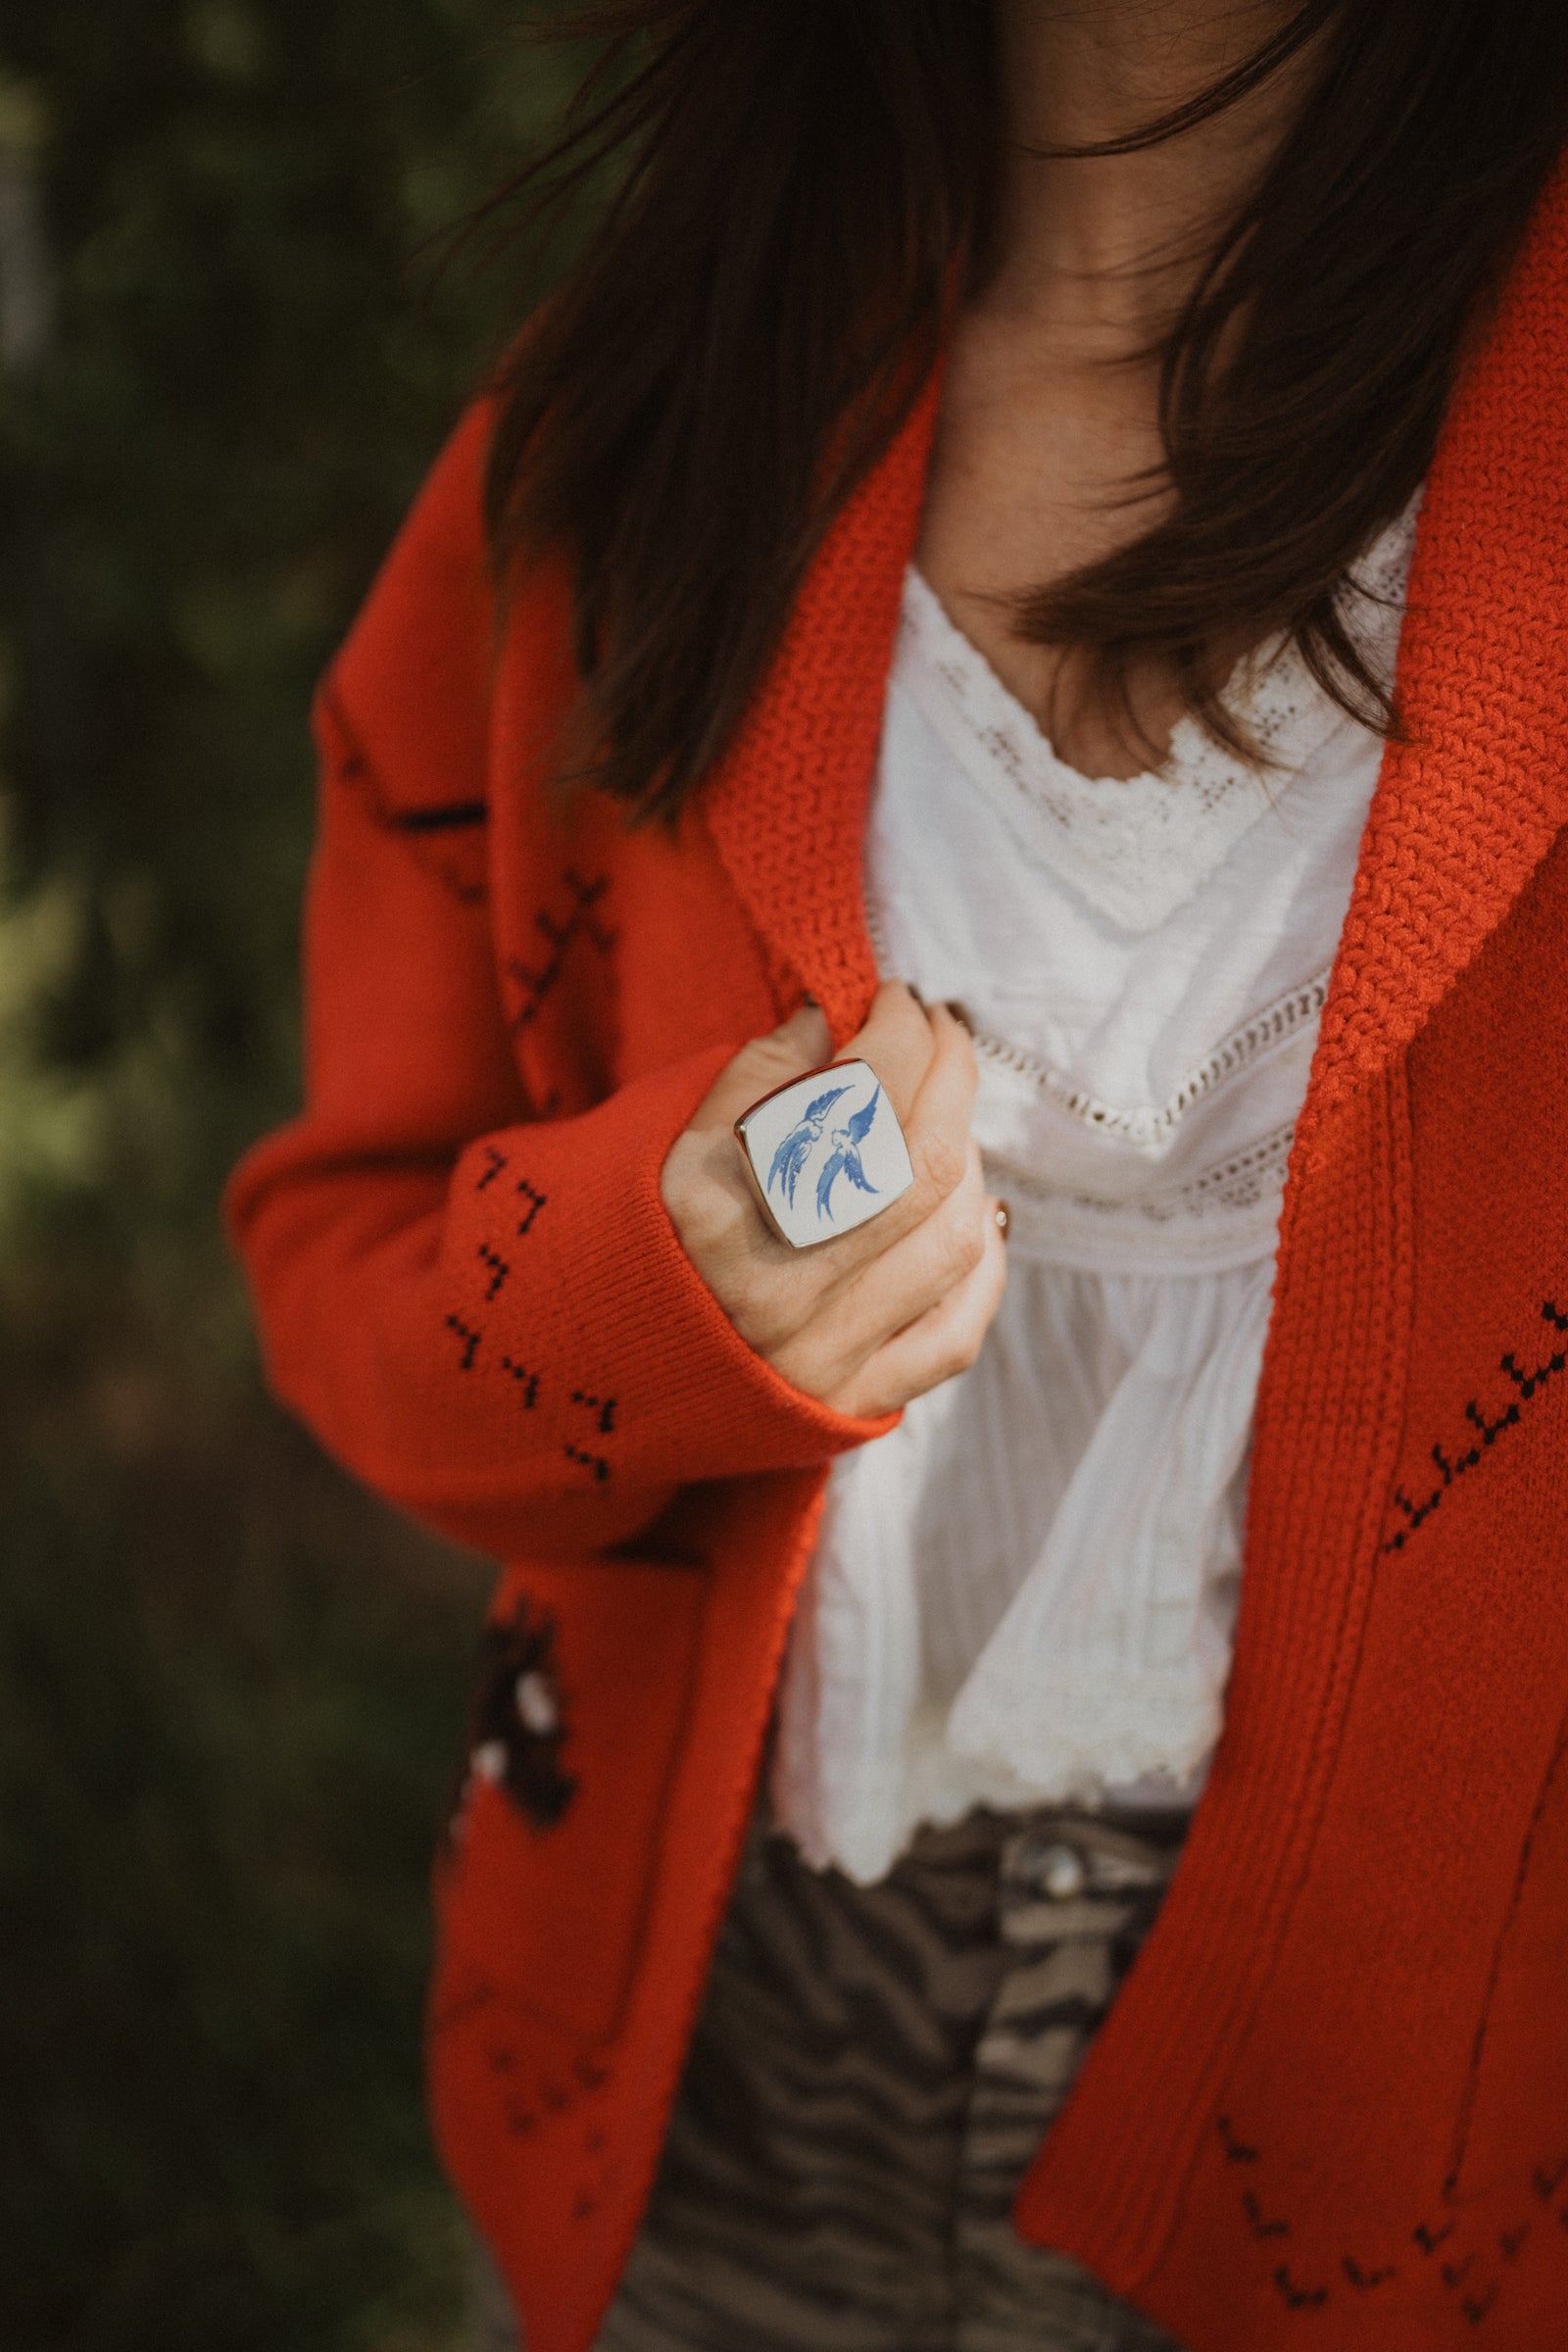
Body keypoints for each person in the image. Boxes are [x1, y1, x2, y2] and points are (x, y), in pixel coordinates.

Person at [226, 3, 1568, 2346]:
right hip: (700, 2071)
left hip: (1428, 2116)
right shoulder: (618, 442)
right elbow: (345, 1257)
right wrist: (638, 1302)